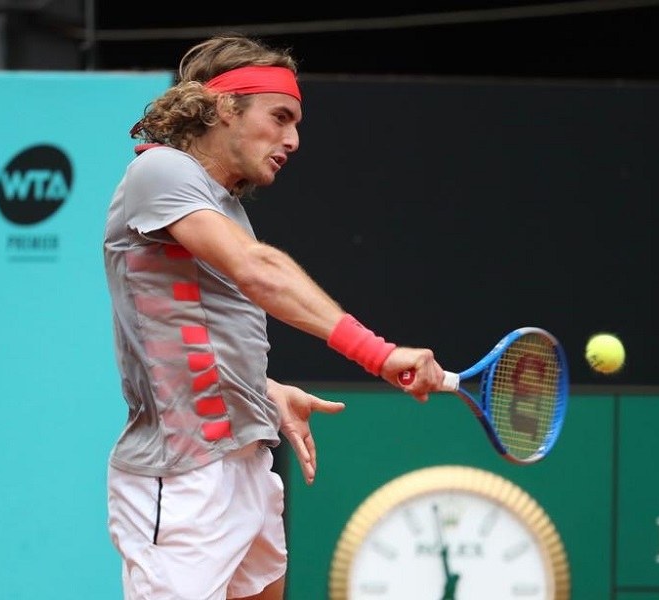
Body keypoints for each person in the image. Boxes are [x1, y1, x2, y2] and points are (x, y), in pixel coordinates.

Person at [102, 33, 445, 600]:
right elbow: (258, 271)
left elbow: (182, 324)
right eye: (280, 117)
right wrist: (377, 353)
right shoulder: (160, 171)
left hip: (243, 464)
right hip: (183, 475)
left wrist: (260, 389)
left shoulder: (220, 203)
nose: (293, 139)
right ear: (223, 107)